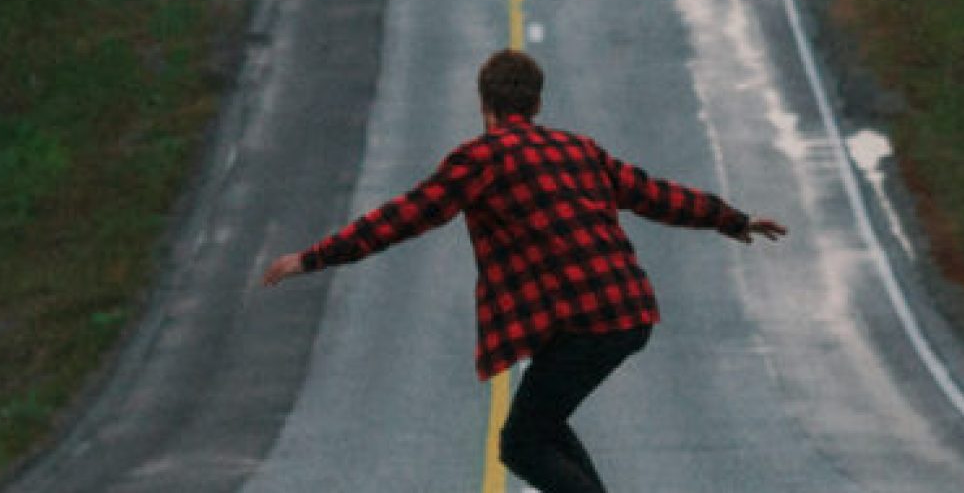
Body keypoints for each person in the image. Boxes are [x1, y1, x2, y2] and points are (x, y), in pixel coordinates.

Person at [256, 48, 787, 493]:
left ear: (483, 102)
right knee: (542, 427)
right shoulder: (579, 149)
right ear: (536, 102)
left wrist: (310, 258)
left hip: (586, 323)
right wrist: (732, 219)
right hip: (628, 309)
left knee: (520, 443)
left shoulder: (480, 159)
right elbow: (655, 195)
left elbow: (403, 218)